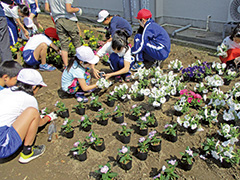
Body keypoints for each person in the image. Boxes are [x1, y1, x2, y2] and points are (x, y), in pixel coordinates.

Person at [0, 68, 57, 163]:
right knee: (33, 112)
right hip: (3, 146)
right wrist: (48, 117)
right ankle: (27, 152)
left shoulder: (5, 91)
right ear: (34, 87)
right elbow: (39, 123)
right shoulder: (28, 99)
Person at [45, 0, 82, 66]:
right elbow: (69, 9)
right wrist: (78, 10)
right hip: (68, 19)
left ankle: (66, 66)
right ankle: (80, 64)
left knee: (64, 45)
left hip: (57, 20)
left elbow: (47, 9)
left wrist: (56, 10)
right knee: (77, 43)